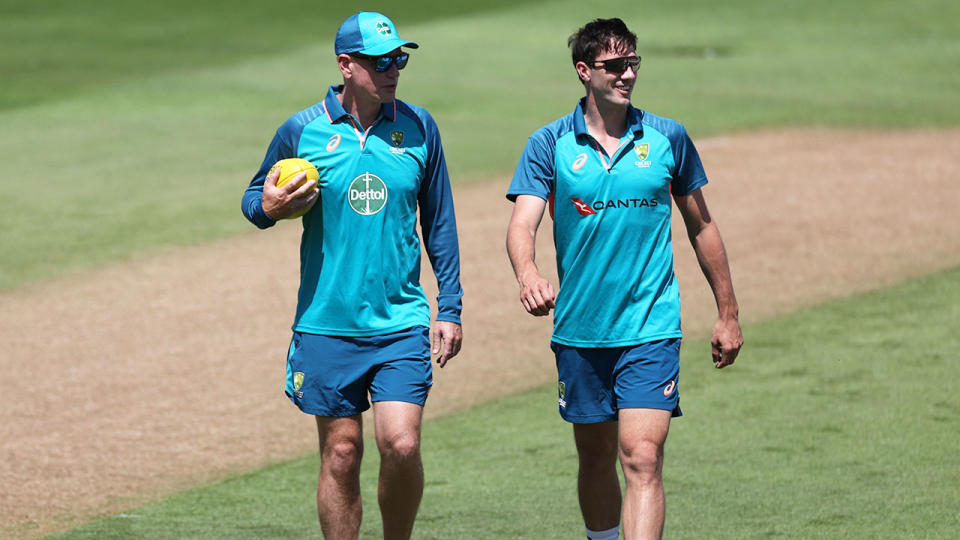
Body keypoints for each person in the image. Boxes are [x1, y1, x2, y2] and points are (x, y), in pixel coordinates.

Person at [505, 17, 742, 540]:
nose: (627, 74)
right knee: (595, 456)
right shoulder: (548, 144)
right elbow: (522, 222)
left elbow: (702, 226)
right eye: (615, 65)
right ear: (584, 71)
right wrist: (528, 272)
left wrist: (728, 312)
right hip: (580, 331)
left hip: (650, 327)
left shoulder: (667, 138)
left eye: (633, 62)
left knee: (641, 457)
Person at [241, 11, 463, 539]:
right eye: (380, 61)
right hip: (326, 321)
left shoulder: (418, 127)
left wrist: (449, 307)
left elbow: (441, 223)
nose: (393, 70)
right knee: (341, 453)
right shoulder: (302, 130)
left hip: (401, 320)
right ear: (346, 65)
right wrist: (270, 207)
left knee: (402, 443)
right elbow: (253, 200)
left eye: (399, 59)